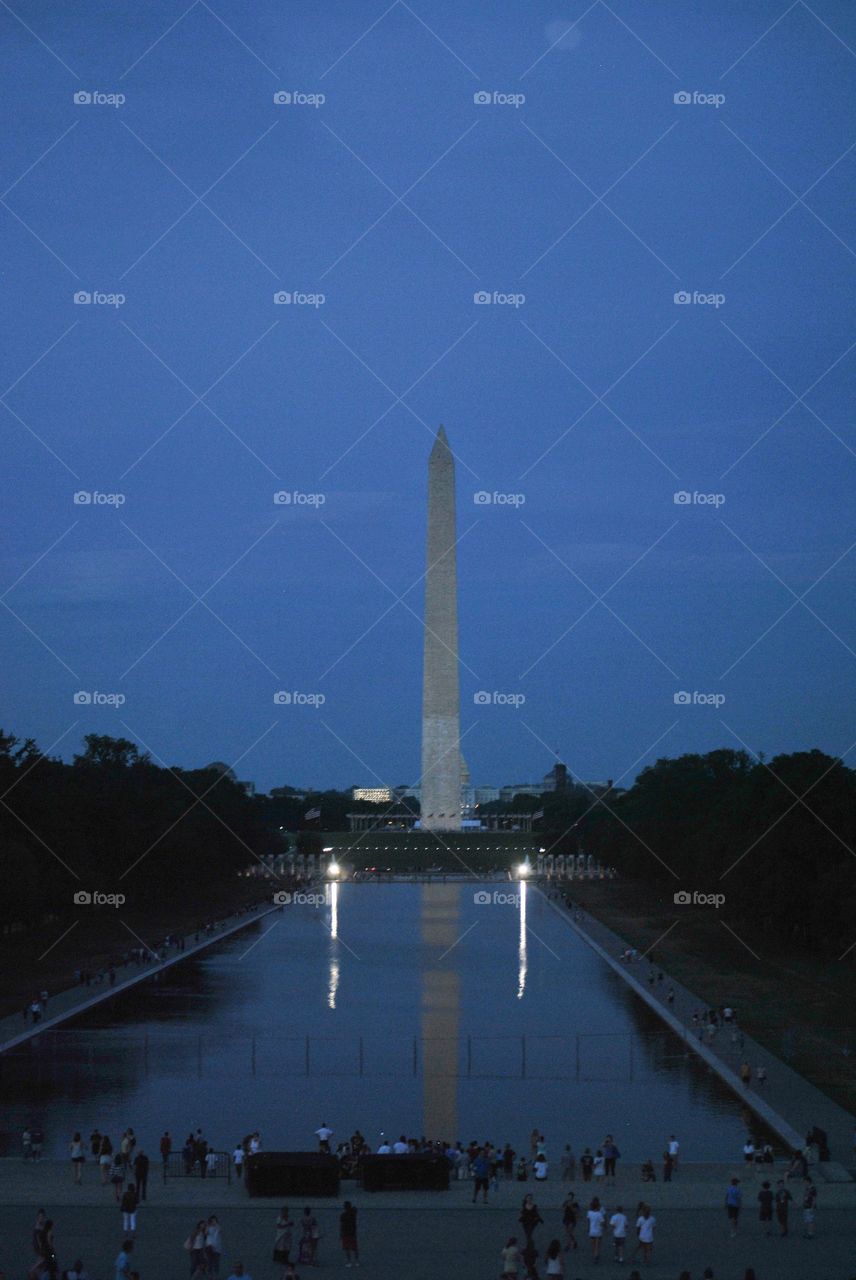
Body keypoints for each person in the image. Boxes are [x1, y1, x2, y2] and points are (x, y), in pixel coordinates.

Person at [339, 1200, 358, 1268]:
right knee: (354, 1248)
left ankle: (349, 1262)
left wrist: (340, 1234)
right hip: (352, 1232)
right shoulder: (353, 1214)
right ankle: (356, 1261)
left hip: (346, 1233)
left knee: (347, 1248)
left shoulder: (343, 1215)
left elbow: (342, 1225)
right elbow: (355, 1209)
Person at [586, 1197, 605, 1262]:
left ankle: (594, 1254)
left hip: (592, 1231)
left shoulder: (589, 1213)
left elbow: (588, 1221)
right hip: (598, 1231)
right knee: (597, 1245)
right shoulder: (599, 1214)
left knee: (593, 1245)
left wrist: (588, 1228)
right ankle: (596, 1255)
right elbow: (602, 1223)